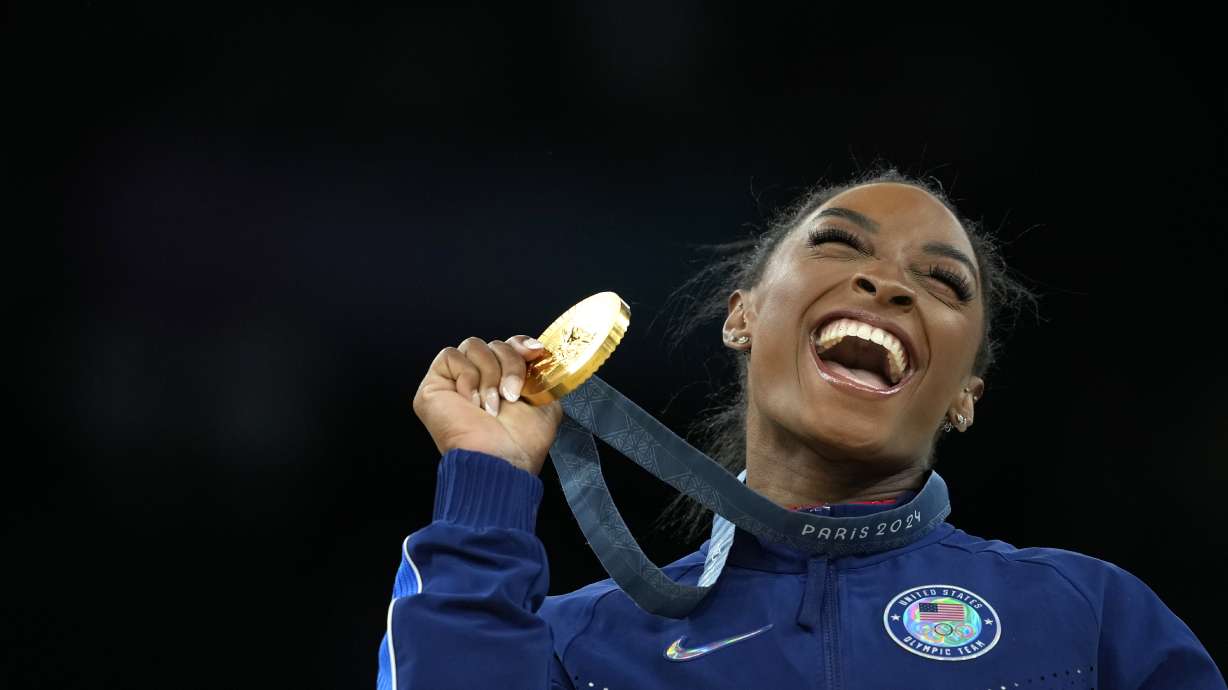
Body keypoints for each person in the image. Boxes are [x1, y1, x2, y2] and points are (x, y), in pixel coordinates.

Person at [377, 167, 1225, 689]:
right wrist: (484, 482)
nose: (886, 286)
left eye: (943, 283)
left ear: (966, 393)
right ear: (743, 317)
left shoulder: (1094, 620)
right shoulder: (579, 645)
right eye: (838, 245)